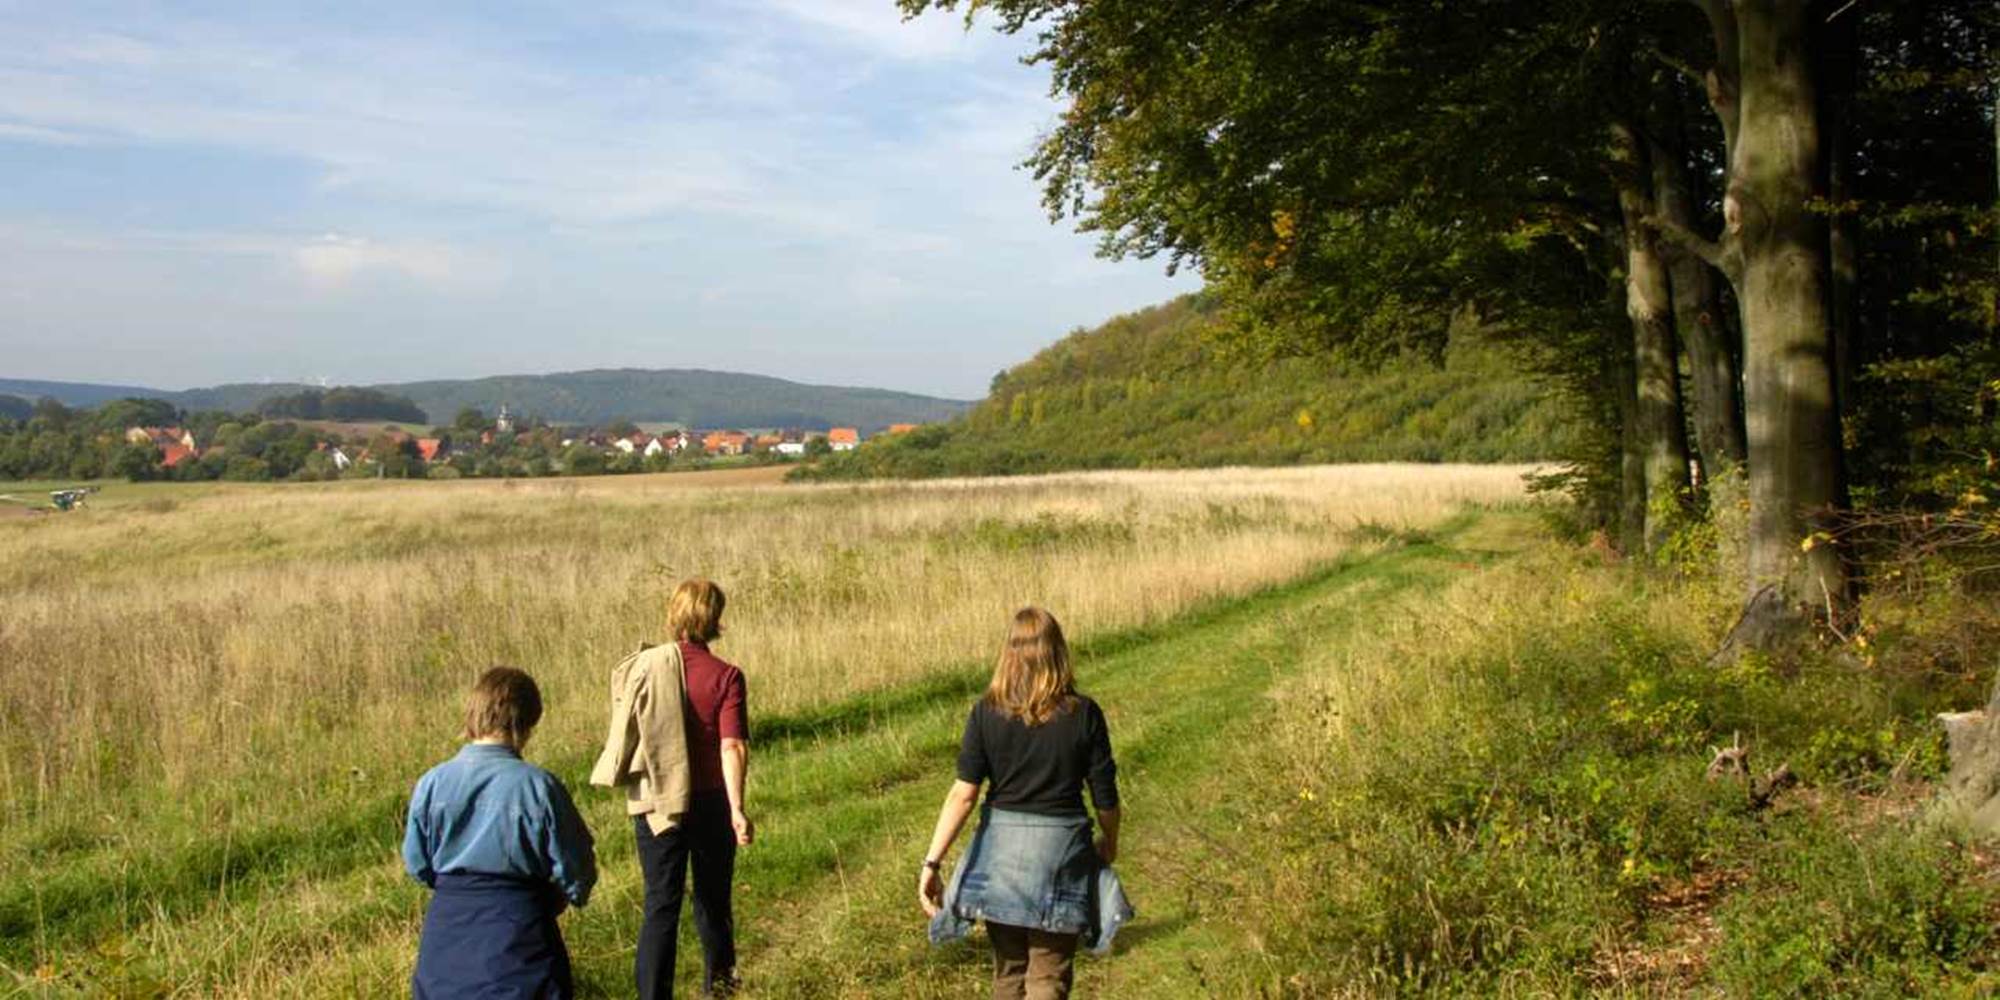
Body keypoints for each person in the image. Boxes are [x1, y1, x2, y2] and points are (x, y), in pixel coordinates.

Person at [920, 607, 1133, 1000]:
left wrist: (931, 863)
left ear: (1009, 652)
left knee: (1009, 973)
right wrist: (1110, 840)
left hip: (1001, 860)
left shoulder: (985, 711)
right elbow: (1105, 797)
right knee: (1048, 977)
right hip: (1062, 856)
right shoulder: (1084, 714)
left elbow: (963, 794)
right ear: (1058, 651)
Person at [404, 666, 597, 1000]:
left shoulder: (431, 783)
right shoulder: (539, 787)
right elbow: (577, 870)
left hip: (446, 939)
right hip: (521, 939)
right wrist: (562, 896)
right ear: (527, 723)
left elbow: (417, 864)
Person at [625, 578, 753, 999]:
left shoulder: (644, 668)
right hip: (711, 803)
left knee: (660, 906)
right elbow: (731, 746)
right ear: (715, 619)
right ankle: (721, 990)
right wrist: (737, 809)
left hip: (657, 802)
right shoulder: (726, 676)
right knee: (713, 902)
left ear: (675, 614)